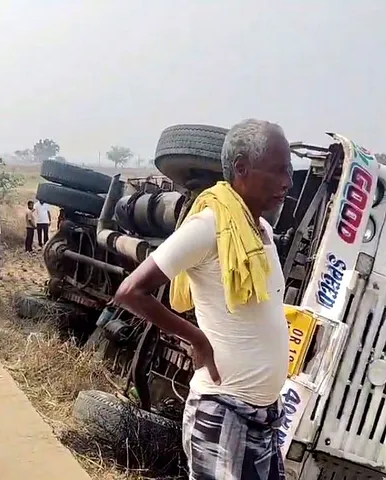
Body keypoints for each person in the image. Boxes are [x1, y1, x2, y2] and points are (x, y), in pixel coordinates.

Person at [113, 119, 293, 480]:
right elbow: (130, 292)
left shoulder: (263, 232)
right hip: (222, 414)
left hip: (265, 416)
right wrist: (196, 339)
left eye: (289, 171)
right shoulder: (210, 226)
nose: (287, 182)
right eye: (278, 171)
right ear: (241, 169)